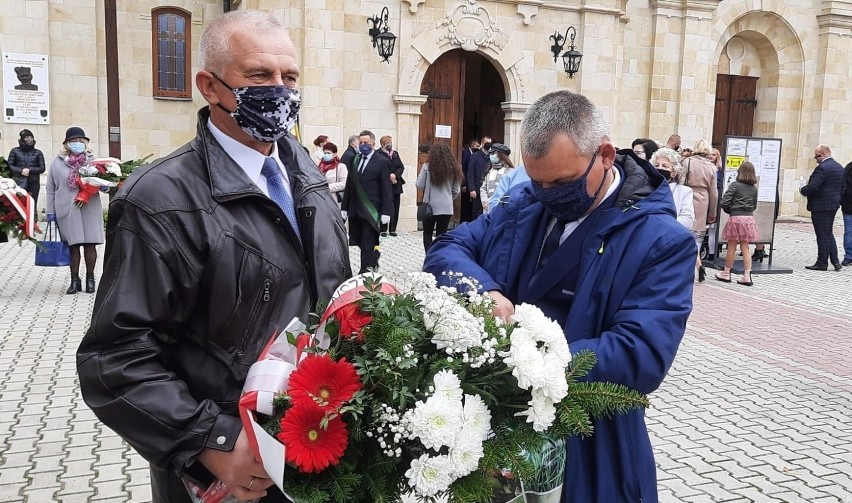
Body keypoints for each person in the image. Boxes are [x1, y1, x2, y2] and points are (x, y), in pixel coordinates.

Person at [75, 11, 350, 503]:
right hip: (227, 474)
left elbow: (333, 295)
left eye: (289, 77)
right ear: (211, 85)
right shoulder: (159, 198)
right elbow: (115, 359)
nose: (280, 91)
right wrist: (211, 440)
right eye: (260, 76)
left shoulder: (304, 171)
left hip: (319, 449)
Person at [423, 90, 695, 503]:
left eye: (562, 183)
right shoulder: (522, 205)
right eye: (538, 181)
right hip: (500, 439)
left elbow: (642, 353)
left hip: (593, 443)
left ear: (605, 155)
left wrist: (525, 360)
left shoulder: (662, 241)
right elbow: (448, 249)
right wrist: (487, 293)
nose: (549, 193)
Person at [45, 127, 105, 294]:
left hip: (89, 208)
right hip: (67, 209)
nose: (78, 144)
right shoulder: (57, 162)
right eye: (74, 141)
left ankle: (90, 279)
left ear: (85, 143)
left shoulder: (93, 161)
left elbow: (103, 181)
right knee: (73, 246)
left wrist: (106, 186)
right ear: (67, 144)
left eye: (81, 141)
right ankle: (74, 280)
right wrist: (50, 212)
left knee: (90, 244)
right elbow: (50, 189)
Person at [341, 129, 393, 273]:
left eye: (366, 143)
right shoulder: (354, 160)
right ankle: (374, 257)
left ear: (373, 143)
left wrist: (386, 212)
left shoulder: (382, 162)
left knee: (367, 241)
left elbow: (386, 189)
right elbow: (349, 186)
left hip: (372, 209)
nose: (363, 145)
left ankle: (365, 270)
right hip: (355, 208)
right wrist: (344, 208)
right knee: (356, 239)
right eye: (361, 142)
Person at [800, 144, 844, 271]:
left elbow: (813, 187)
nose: (815, 159)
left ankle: (822, 262)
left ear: (824, 154)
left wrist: (802, 190)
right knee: (828, 232)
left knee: (822, 234)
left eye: (817, 156)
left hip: (821, 206)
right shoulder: (838, 167)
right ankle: (835, 261)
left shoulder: (822, 168)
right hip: (833, 205)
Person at [715, 161, 759, 285]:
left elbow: (724, 202)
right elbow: (754, 205)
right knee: (745, 247)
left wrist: (731, 211)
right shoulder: (754, 189)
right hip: (749, 218)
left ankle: (726, 273)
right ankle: (747, 275)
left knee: (732, 246)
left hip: (736, 217)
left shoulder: (735, 185)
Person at [683, 139, 718, 282]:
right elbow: (714, 192)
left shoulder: (687, 162)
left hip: (688, 194)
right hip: (703, 199)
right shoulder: (711, 167)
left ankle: (686, 268)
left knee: (685, 229)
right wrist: (712, 213)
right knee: (697, 234)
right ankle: (695, 266)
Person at [416, 142, 461, 251]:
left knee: (427, 233)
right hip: (446, 207)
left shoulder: (427, 166)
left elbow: (419, 185)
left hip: (430, 206)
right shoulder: (454, 168)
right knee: (441, 234)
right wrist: (449, 199)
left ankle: (429, 257)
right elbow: (456, 190)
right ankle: (439, 258)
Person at [651, 148, 694, 231]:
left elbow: (687, 219)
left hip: (670, 234)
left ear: (674, 172)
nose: (660, 169)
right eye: (656, 165)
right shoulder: (646, 187)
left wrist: (661, 224)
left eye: (665, 166)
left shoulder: (684, 191)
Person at [7, 129, 46, 213]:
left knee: (32, 205)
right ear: (22, 139)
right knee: (18, 205)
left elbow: (42, 168)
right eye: (27, 138)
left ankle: (33, 223)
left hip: (33, 183)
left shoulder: (38, 153)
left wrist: (30, 170)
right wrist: (21, 171)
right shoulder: (15, 151)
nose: (29, 140)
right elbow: (9, 166)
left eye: (31, 137)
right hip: (18, 182)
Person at [376, 135, 405, 236]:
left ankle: (393, 229)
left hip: (396, 184)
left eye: (391, 142)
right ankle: (383, 229)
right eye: (388, 142)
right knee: (384, 205)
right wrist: (388, 177)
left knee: (395, 207)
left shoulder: (395, 154)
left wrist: (395, 175)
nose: (390, 144)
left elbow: (401, 167)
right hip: (384, 185)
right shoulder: (377, 154)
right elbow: (377, 169)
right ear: (383, 144)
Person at [480, 143, 514, 213]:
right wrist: (485, 201)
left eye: (493, 153)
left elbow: (510, 191)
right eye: (491, 153)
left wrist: (493, 201)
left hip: (502, 208)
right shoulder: (489, 171)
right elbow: (483, 188)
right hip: (487, 208)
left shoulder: (510, 172)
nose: (491, 156)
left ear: (501, 155)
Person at [467, 136, 491, 219]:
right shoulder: (475, 156)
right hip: (477, 189)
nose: (489, 145)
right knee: (476, 211)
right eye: (487, 143)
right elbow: (470, 173)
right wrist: (471, 189)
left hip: (488, 189)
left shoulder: (492, 157)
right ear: (482, 144)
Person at [460, 138, 479, 223]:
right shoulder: (466, 153)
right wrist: (463, 183)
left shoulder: (474, 153)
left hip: (470, 181)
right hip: (465, 180)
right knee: (465, 202)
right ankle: (463, 219)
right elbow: (463, 168)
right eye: (476, 145)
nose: (478, 147)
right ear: (472, 145)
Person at [842, 160, 852, 266]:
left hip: (848, 206)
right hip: (848, 205)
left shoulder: (848, 167)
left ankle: (849, 256)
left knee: (849, 232)